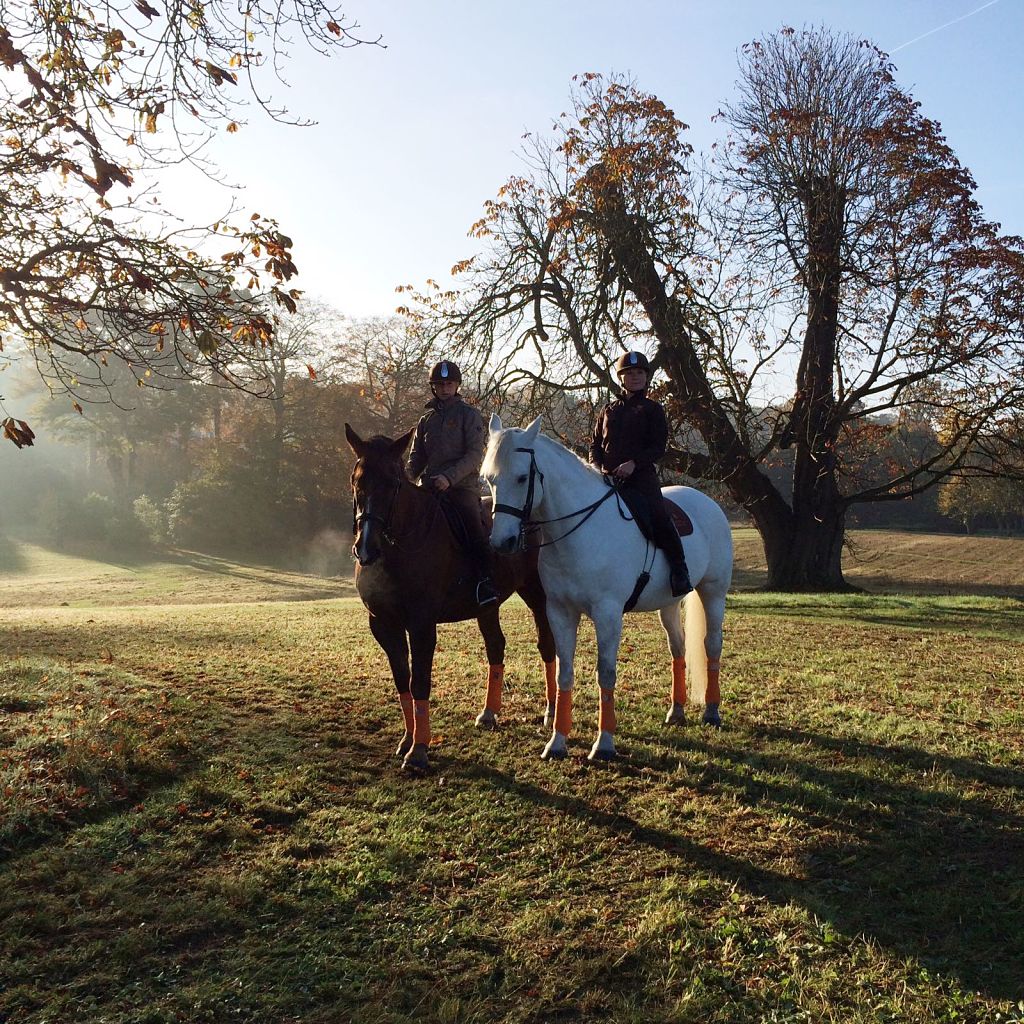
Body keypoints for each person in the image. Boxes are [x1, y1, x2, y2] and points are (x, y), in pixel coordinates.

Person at [590, 351, 692, 597]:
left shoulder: (653, 410)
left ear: (646, 377)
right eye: (629, 373)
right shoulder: (608, 410)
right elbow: (594, 443)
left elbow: (658, 447)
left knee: (659, 516)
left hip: (641, 479)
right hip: (608, 480)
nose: (634, 377)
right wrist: (596, 466)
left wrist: (634, 463)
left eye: (639, 373)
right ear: (621, 378)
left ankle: (680, 571)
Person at [407, 359, 498, 606]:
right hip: (429, 487)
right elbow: (417, 457)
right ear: (433, 387)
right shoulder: (425, 421)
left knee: (474, 529)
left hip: (461, 488)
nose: (445, 388)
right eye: (440, 384)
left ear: (457, 385)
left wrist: (449, 477)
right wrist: (405, 480)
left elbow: (474, 455)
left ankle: (485, 583)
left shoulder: (469, 415)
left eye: (449, 383)